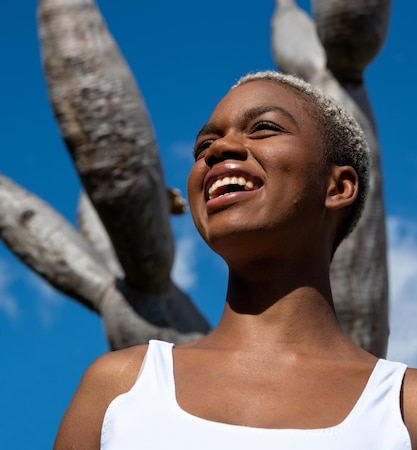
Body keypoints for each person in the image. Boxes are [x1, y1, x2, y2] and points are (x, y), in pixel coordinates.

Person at [53, 71, 417, 449]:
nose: (217, 150)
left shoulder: (404, 407)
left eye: (263, 128)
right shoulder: (118, 388)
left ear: (338, 187)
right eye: (204, 145)